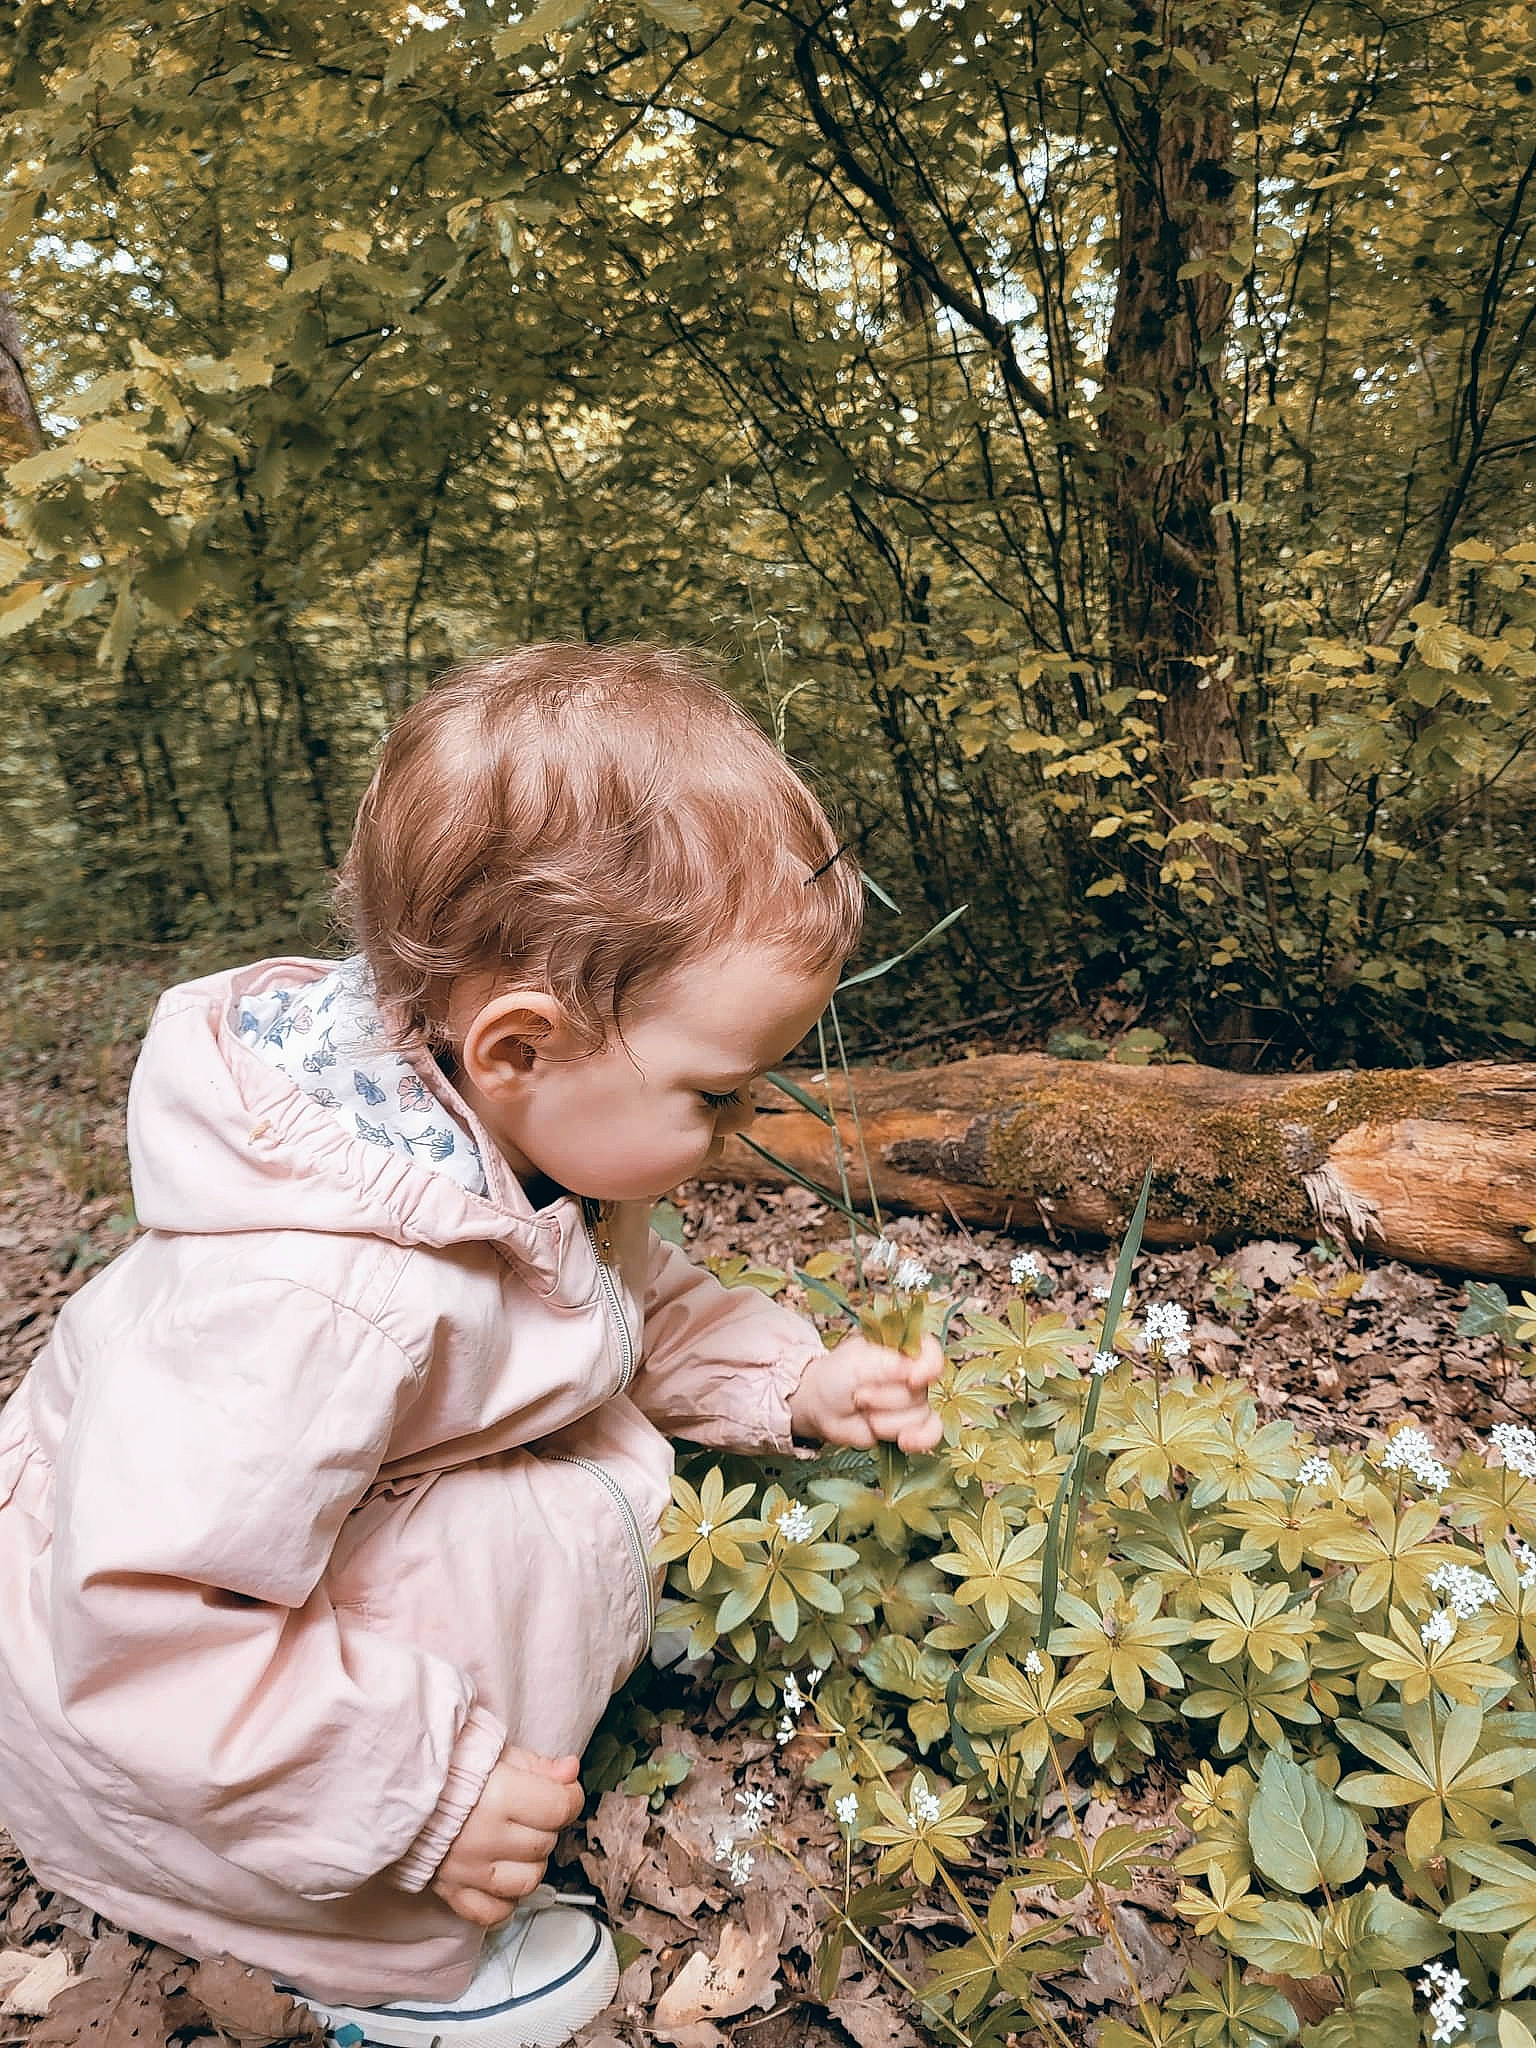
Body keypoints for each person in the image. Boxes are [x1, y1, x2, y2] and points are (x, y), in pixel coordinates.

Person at [0, 644, 944, 2048]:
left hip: (228, 1682)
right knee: (514, 1530)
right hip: (167, 1758)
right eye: (720, 1094)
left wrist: (788, 1380)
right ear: (517, 1047)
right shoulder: (312, 1298)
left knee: (546, 1498)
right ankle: (362, 1950)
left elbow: (629, 1304)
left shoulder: (507, 1146)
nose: (743, 1130)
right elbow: (148, 1625)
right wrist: (420, 1794)